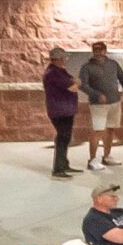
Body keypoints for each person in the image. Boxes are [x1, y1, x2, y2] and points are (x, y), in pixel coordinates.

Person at [78, 40, 123, 169]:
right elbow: (82, 85)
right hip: (98, 105)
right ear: (93, 51)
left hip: (114, 102)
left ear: (105, 50)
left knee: (110, 129)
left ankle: (106, 156)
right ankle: (92, 160)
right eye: (95, 50)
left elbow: (122, 78)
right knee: (98, 131)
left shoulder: (113, 64)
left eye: (100, 49)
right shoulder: (86, 67)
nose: (98, 52)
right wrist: (96, 95)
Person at [43, 47, 80, 178]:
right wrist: (75, 83)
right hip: (59, 111)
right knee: (62, 137)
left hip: (67, 110)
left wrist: (75, 82)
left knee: (66, 137)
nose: (65, 60)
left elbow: (75, 80)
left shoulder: (61, 71)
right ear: (57, 59)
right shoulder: (53, 73)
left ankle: (64, 164)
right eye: (63, 58)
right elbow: (73, 86)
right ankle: (58, 169)